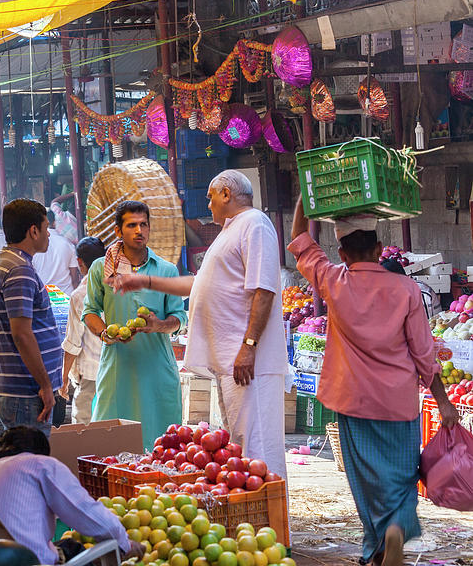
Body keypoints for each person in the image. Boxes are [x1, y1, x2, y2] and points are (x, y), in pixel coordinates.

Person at [289, 202, 459, 566]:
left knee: (365, 480)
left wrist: (306, 197)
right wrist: (443, 402)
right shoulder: (408, 290)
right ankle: (396, 528)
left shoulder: (333, 280)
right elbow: (425, 355)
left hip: (352, 402)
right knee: (401, 476)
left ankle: (379, 546)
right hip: (398, 405)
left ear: (343, 252)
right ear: (379, 250)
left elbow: (300, 239)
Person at [114, 171, 289, 474]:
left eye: (210, 196)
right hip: (231, 361)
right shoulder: (231, 231)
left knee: (257, 445)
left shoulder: (254, 224)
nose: (208, 204)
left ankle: (270, 516)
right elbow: (198, 286)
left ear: (226, 194)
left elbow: (264, 289)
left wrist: (249, 346)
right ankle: (254, 513)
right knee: (241, 444)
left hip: (249, 360)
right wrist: (145, 281)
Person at [82, 200, 187, 450]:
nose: (139, 231)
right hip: (118, 368)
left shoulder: (166, 270)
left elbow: (179, 318)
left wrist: (158, 325)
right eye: (131, 225)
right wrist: (105, 332)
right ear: (118, 231)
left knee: (162, 444)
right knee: (110, 445)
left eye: (143, 225)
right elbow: (90, 311)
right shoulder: (101, 269)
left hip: (157, 370)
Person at [0, 427, 142, 565]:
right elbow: (85, 512)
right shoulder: (40, 465)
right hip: (26, 561)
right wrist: (125, 543)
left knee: (67, 545)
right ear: (42, 454)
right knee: (75, 549)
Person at [0, 199, 62, 435]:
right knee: (31, 465)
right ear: (33, 231)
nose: (49, 235)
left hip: (15, 388)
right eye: (46, 228)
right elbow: (21, 334)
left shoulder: (1, 263)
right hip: (27, 392)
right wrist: (45, 385)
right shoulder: (19, 269)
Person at [59, 237, 105, 424]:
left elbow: (73, 343)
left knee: (83, 426)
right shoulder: (117, 286)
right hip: (118, 371)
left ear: (80, 262)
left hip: (91, 373)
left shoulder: (79, 295)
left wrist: (63, 378)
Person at [32, 210, 79, 295]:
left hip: (45, 297)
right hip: (66, 296)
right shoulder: (67, 244)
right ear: (54, 222)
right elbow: (74, 278)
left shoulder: (34, 247)